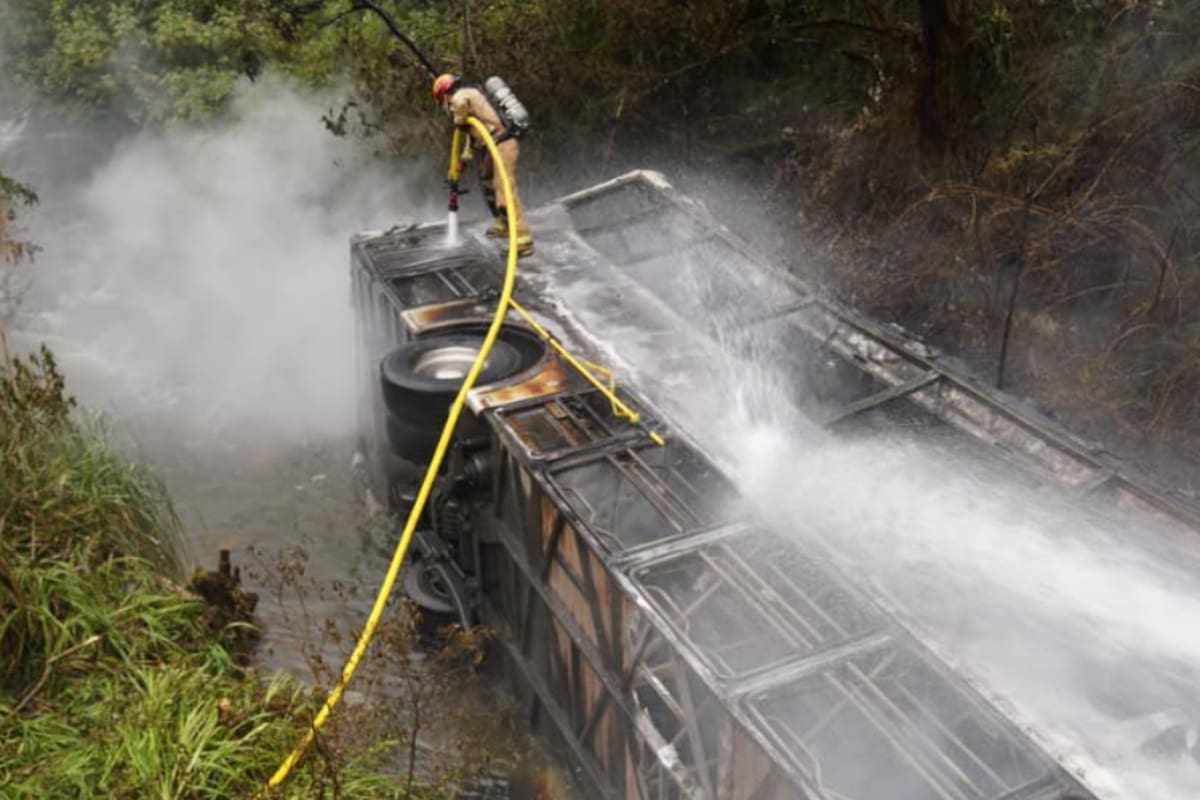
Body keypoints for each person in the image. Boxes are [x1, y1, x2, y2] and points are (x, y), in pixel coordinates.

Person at [432, 73, 533, 257]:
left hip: (504, 143)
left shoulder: (460, 96)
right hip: (494, 145)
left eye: (442, 101)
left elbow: (461, 107)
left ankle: (522, 238)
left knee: (504, 189)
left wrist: (458, 119)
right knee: (486, 177)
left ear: (444, 95)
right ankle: (502, 224)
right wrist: (462, 160)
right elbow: (475, 137)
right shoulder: (471, 96)